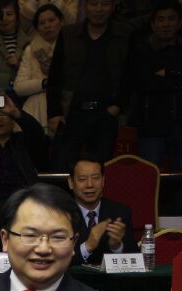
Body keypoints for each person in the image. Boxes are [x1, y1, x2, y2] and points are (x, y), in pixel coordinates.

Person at [47, 0, 132, 169]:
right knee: (61, 167)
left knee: (100, 171)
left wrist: (118, 106)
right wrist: (54, 113)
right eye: (93, 4)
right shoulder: (68, 33)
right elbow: (55, 76)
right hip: (71, 113)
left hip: (105, 115)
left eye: (104, 4)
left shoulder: (125, 34)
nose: (99, 9)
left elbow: (130, 75)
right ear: (85, 6)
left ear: (112, 6)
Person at [131, 0, 182, 170]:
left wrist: (168, 73)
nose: (166, 24)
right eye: (161, 19)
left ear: (179, 23)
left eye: (171, 19)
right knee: (150, 177)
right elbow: (144, 83)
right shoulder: (142, 50)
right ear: (153, 25)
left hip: (179, 124)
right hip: (151, 126)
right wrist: (176, 76)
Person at [67, 154, 138, 265]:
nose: (90, 184)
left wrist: (116, 247)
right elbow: (56, 261)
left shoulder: (120, 212)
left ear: (103, 180)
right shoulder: (61, 214)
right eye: (82, 179)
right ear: (71, 182)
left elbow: (135, 260)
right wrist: (88, 246)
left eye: (95, 178)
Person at [14, 3, 63, 134]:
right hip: (35, 109)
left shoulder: (71, 46)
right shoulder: (31, 50)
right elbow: (19, 87)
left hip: (62, 106)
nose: (47, 25)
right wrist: (44, 83)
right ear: (37, 28)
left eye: (51, 20)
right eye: (41, 23)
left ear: (61, 21)